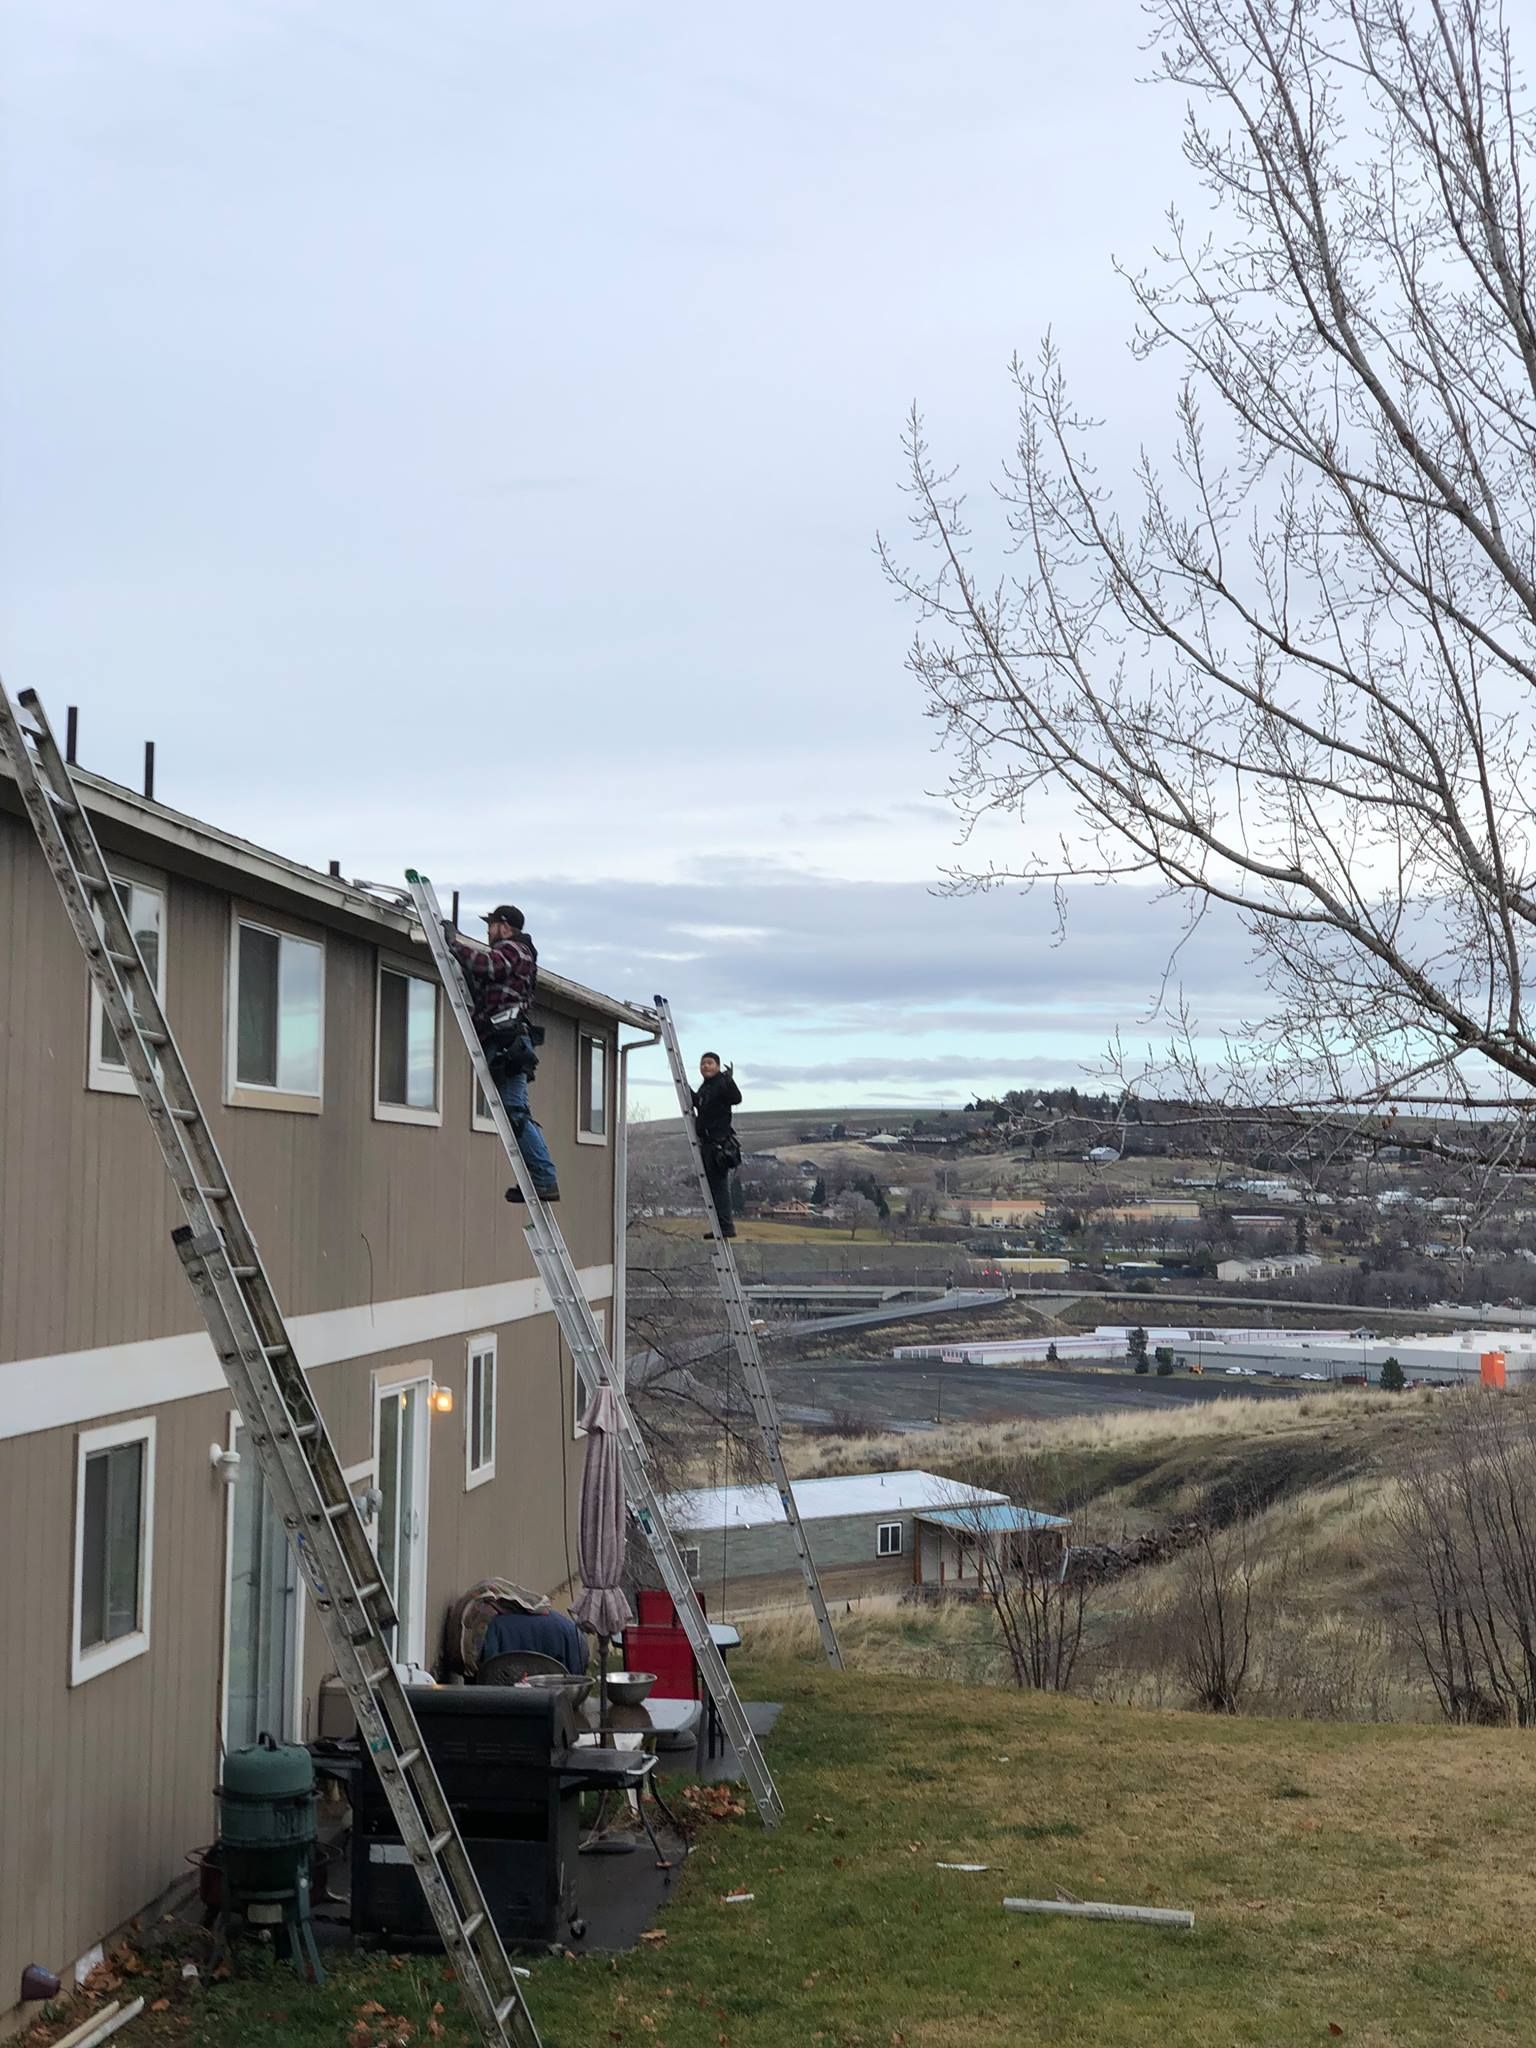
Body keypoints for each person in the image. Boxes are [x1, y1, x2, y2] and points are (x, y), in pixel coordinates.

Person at [445, 903, 560, 1203]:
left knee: (516, 1114)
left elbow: (490, 966)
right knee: (517, 1112)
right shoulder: (515, 953)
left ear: (505, 926)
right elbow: (486, 980)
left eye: (491, 925)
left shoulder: (515, 950)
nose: (487, 930)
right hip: (506, 1038)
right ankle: (541, 1177)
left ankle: (544, 1178)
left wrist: (455, 945)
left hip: (508, 1039)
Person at [693, 1052, 742, 1239]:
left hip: (719, 1145)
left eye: (710, 1063)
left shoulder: (721, 1083)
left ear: (718, 1066)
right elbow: (699, 1103)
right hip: (708, 1143)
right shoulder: (706, 1087)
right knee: (713, 1187)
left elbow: (736, 1098)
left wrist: (729, 1080)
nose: (705, 1066)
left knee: (719, 1187)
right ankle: (719, 1225)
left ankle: (726, 1227)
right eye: (703, 1063)